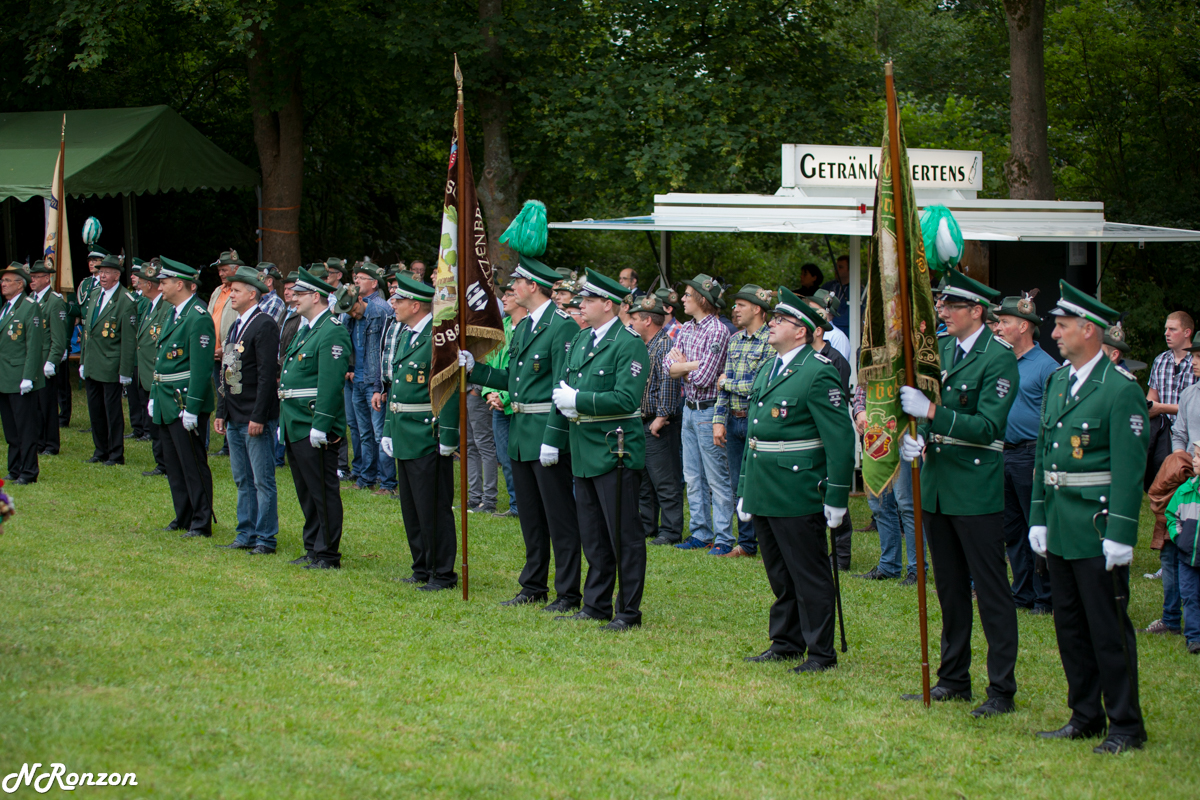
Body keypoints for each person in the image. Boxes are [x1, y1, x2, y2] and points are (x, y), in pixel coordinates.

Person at [1026, 281, 1149, 753]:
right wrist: (1039, 515)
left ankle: (1126, 725)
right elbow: (1043, 455)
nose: (1055, 333)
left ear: (1090, 330)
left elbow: (1129, 470)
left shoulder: (1119, 390)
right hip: (1061, 525)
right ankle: (1085, 714)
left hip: (1097, 528)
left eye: (1062, 326)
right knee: (1071, 628)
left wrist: (1121, 532)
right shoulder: (1059, 381)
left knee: (1108, 629)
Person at [898, 269, 1020, 718]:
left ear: (977, 311)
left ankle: (1001, 688)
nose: (943, 311)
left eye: (952, 306)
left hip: (974, 487)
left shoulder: (998, 357)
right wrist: (918, 437)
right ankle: (953, 678)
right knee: (949, 589)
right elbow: (928, 414)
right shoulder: (942, 349)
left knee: (990, 591)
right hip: (937, 485)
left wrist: (933, 412)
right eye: (942, 304)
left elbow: (988, 426)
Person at [737, 287, 854, 672]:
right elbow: (754, 434)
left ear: (801, 330)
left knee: (809, 574)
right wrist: (745, 488)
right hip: (764, 485)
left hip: (797, 487)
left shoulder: (817, 372)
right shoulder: (769, 368)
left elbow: (839, 439)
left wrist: (837, 495)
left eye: (780, 320)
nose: (771, 324)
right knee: (780, 573)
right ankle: (786, 642)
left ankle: (820, 652)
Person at [461, 256, 582, 609]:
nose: (512, 288)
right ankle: (533, 585)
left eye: (518, 282)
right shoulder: (525, 325)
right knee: (530, 517)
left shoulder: (561, 326)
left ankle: (568, 591)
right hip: (520, 431)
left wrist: (553, 438)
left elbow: (562, 386)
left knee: (559, 518)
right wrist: (477, 370)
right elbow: (513, 380)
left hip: (545, 433)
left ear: (533, 286)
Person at [550, 269, 650, 630]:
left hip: (614, 448)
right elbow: (566, 384)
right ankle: (596, 603)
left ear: (608, 304)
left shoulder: (628, 343)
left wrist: (579, 399)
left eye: (589, 300)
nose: (581, 305)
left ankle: (628, 611)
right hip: (583, 446)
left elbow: (626, 398)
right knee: (592, 533)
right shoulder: (582, 339)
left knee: (623, 535)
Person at [381, 274, 460, 589]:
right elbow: (396, 387)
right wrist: (389, 428)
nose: (393, 304)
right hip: (404, 429)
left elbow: (448, 387)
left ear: (415, 305)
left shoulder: (438, 337)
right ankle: (422, 567)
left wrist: (449, 435)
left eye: (399, 300)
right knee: (412, 507)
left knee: (433, 507)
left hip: (428, 432)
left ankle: (442, 572)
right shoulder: (407, 335)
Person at [278, 267, 351, 569]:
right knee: (307, 490)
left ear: (316, 296)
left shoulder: (331, 330)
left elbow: (330, 384)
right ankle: (312, 547)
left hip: (312, 421)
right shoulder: (307, 328)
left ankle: (327, 553)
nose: (293, 298)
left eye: (299, 294)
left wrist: (321, 424)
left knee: (322, 490)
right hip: (295, 420)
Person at [995, 292, 1059, 614]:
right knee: (1013, 530)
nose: (998, 327)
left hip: (1031, 454)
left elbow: (1055, 419)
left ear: (1023, 326)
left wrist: (1043, 461)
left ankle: (1045, 597)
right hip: (1003, 452)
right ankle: (1022, 593)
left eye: (1004, 321)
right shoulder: (1001, 361)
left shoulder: (1048, 367)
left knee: (1037, 526)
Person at [214, 267, 281, 555]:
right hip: (235, 413)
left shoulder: (264, 324)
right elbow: (227, 371)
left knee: (262, 480)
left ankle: (265, 538)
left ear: (252, 294)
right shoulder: (236, 326)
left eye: (237, 290)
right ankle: (246, 533)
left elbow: (267, 375)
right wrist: (221, 411)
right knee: (242, 479)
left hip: (254, 415)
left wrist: (259, 416)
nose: (231, 295)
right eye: (231, 290)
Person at [148, 257, 215, 537]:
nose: (159, 287)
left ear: (180, 284)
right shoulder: (174, 313)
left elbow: (201, 367)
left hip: (183, 400)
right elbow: (162, 360)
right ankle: (184, 515)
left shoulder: (198, 317)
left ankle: (201, 520)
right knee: (174, 463)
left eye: (164, 282)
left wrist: (193, 407)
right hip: (166, 398)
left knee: (192, 463)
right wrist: (154, 394)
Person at [667, 273, 734, 554]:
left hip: (709, 412)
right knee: (692, 476)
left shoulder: (717, 331)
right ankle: (700, 533)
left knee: (716, 478)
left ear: (701, 299)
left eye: (686, 295)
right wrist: (689, 366)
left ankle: (724, 537)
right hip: (689, 410)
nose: (682, 299)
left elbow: (706, 378)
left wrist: (683, 366)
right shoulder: (686, 328)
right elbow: (668, 367)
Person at [1142, 311, 1195, 635]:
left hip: (1190, 448)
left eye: (1172, 329)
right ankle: (1171, 610)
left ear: (1187, 332)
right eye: (1165, 328)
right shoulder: (1161, 361)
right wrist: (1153, 407)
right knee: (1164, 502)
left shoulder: (1193, 367)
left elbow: (1184, 408)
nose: (1166, 333)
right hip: (1166, 437)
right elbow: (1153, 398)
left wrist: (1161, 408)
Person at [712, 284, 773, 557]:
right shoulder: (734, 340)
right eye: (735, 305)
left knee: (762, 483)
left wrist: (726, 383)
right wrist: (718, 420)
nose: (735, 310)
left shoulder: (771, 340)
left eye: (741, 305)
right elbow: (723, 388)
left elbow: (759, 387)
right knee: (739, 485)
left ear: (757, 309)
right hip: (733, 421)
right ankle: (747, 544)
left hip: (757, 422)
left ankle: (770, 543)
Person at [803, 293, 855, 568]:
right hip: (807, 439)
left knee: (833, 494)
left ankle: (842, 555)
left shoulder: (835, 360)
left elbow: (836, 405)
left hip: (827, 437)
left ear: (819, 330)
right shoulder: (804, 357)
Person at [853, 382, 923, 584]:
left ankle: (917, 569)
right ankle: (888, 565)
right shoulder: (870, 361)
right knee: (879, 502)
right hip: (876, 430)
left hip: (903, 430)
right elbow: (861, 388)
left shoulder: (907, 361)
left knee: (907, 503)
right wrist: (859, 412)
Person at [629, 293, 684, 546]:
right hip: (643, 421)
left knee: (665, 480)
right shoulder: (645, 344)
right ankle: (647, 525)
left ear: (648, 320)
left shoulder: (665, 345)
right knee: (645, 481)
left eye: (634, 318)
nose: (631, 323)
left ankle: (670, 531)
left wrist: (661, 417)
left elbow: (669, 384)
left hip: (658, 423)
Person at [80, 253, 137, 466]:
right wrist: (83, 361)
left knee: (112, 411)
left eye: (106, 272)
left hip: (110, 364)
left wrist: (125, 370)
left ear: (117, 275)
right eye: (101, 272)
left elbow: (128, 340)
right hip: (92, 362)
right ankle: (100, 450)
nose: (102, 276)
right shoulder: (95, 294)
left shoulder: (125, 300)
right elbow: (88, 332)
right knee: (95, 409)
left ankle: (115, 453)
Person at [348, 261, 392, 494]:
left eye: (362, 277)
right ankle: (367, 478)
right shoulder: (350, 310)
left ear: (374, 283)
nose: (356, 280)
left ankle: (387, 482)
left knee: (378, 433)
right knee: (364, 432)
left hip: (373, 382)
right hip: (357, 380)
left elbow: (385, 351)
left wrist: (380, 385)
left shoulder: (381, 310)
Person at [0, 264, 45, 484]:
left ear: (20, 284)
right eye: (2, 280)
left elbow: (33, 345)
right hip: (5, 376)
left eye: (8, 280)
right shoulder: (6, 307)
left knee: (25, 428)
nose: (3, 284)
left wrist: (29, 376)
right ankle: (15, 468)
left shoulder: (29, 307)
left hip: (20, 377)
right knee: (10, 428)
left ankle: (28, 471)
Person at [483, 280, 522, 518]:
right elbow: (490, 361)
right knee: (504, 458)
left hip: (517, 404)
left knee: (523, 458)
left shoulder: (527, 328)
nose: (503, 299)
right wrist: (490, 392)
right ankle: (516, 505)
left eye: (509, 294)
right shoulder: (501, 326)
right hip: (498, 404)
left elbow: (521, 373)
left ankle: (527, 504)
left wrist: (504, 397)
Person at [131, 260, 172, 478]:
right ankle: (161, 462)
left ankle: (166, 463)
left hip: (157, 372)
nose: (138, 285)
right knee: (154, 421)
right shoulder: (148, 305)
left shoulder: (165, 307)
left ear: (149, 284)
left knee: (161, 422)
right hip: (146, 372)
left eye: (141, 281)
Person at [28, 261, 68, 457]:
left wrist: (52, 360)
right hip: (32, 361)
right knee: (34, 405)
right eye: (31, 277)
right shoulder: (30, 299)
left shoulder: (54, 301)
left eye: (37, 277)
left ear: (47, 278)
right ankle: (38, 441)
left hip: (45, 360)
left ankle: (51, 444)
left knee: (47, 405)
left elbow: (58, 337)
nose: (32, 280)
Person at [1165, 445, 1200, 656]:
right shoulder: (1185, 490)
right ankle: (1194, 638)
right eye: (1195, 455)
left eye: (1199, 456)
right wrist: (1179, 537)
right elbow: (1171, 515)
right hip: (1188, 557)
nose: (1193, 460)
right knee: (1189, 595)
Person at [810, 288, 852, 362]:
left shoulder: (838, 337)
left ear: (826, 312)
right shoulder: (808, 329)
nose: (810, 311)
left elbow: (839, 365)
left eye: (814, 309)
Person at [820, 255, 851, 338]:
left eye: (840, 267)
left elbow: (850, 318)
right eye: (836, 267)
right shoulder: (828, 286)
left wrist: (829, 319)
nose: (836, 270)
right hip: (824, 330)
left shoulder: (857, 291)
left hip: (846, 333)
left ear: (850, 270)